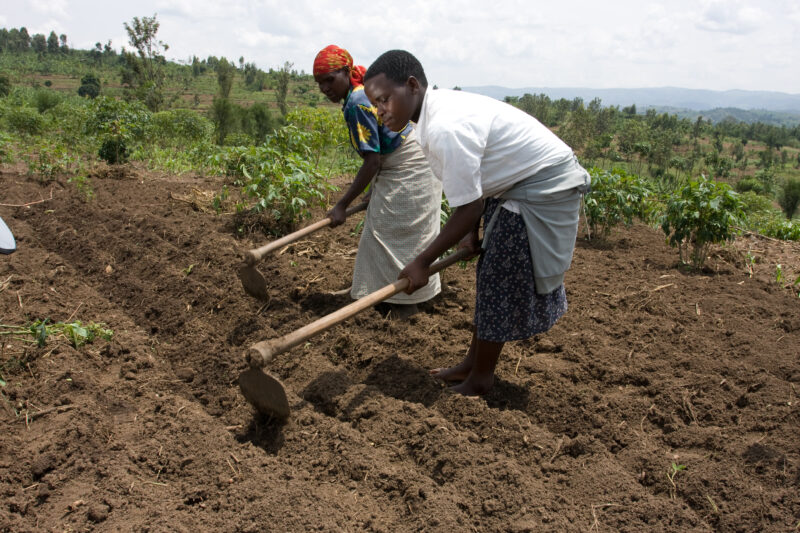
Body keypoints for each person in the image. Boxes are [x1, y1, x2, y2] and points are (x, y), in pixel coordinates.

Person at [363, 50, 590, 395]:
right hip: (516, 185)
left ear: (411, 86)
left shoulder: (444, 127)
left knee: (498, 276)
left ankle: (481, 378)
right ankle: (472, 365)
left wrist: (423, 262)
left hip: (543, 186)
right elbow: (474, 189)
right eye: (375, 104)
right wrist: (470, 235)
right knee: (490, 275)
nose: (380, 111)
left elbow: (469, 206)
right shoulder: (431, 116)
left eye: (384, 100)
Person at [313, 45, 442, 318]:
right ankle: (383, 295)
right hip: (403, 158)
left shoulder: (358, 102)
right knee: (379, 233)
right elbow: (379, 152)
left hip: (410, 163)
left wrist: (341, 205)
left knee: (396, 234)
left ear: (347, 72)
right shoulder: (358, 97)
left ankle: (405, 305)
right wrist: (372, 190)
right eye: (319, 83)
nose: (325, 88)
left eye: (329, 79)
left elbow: (372, 161)